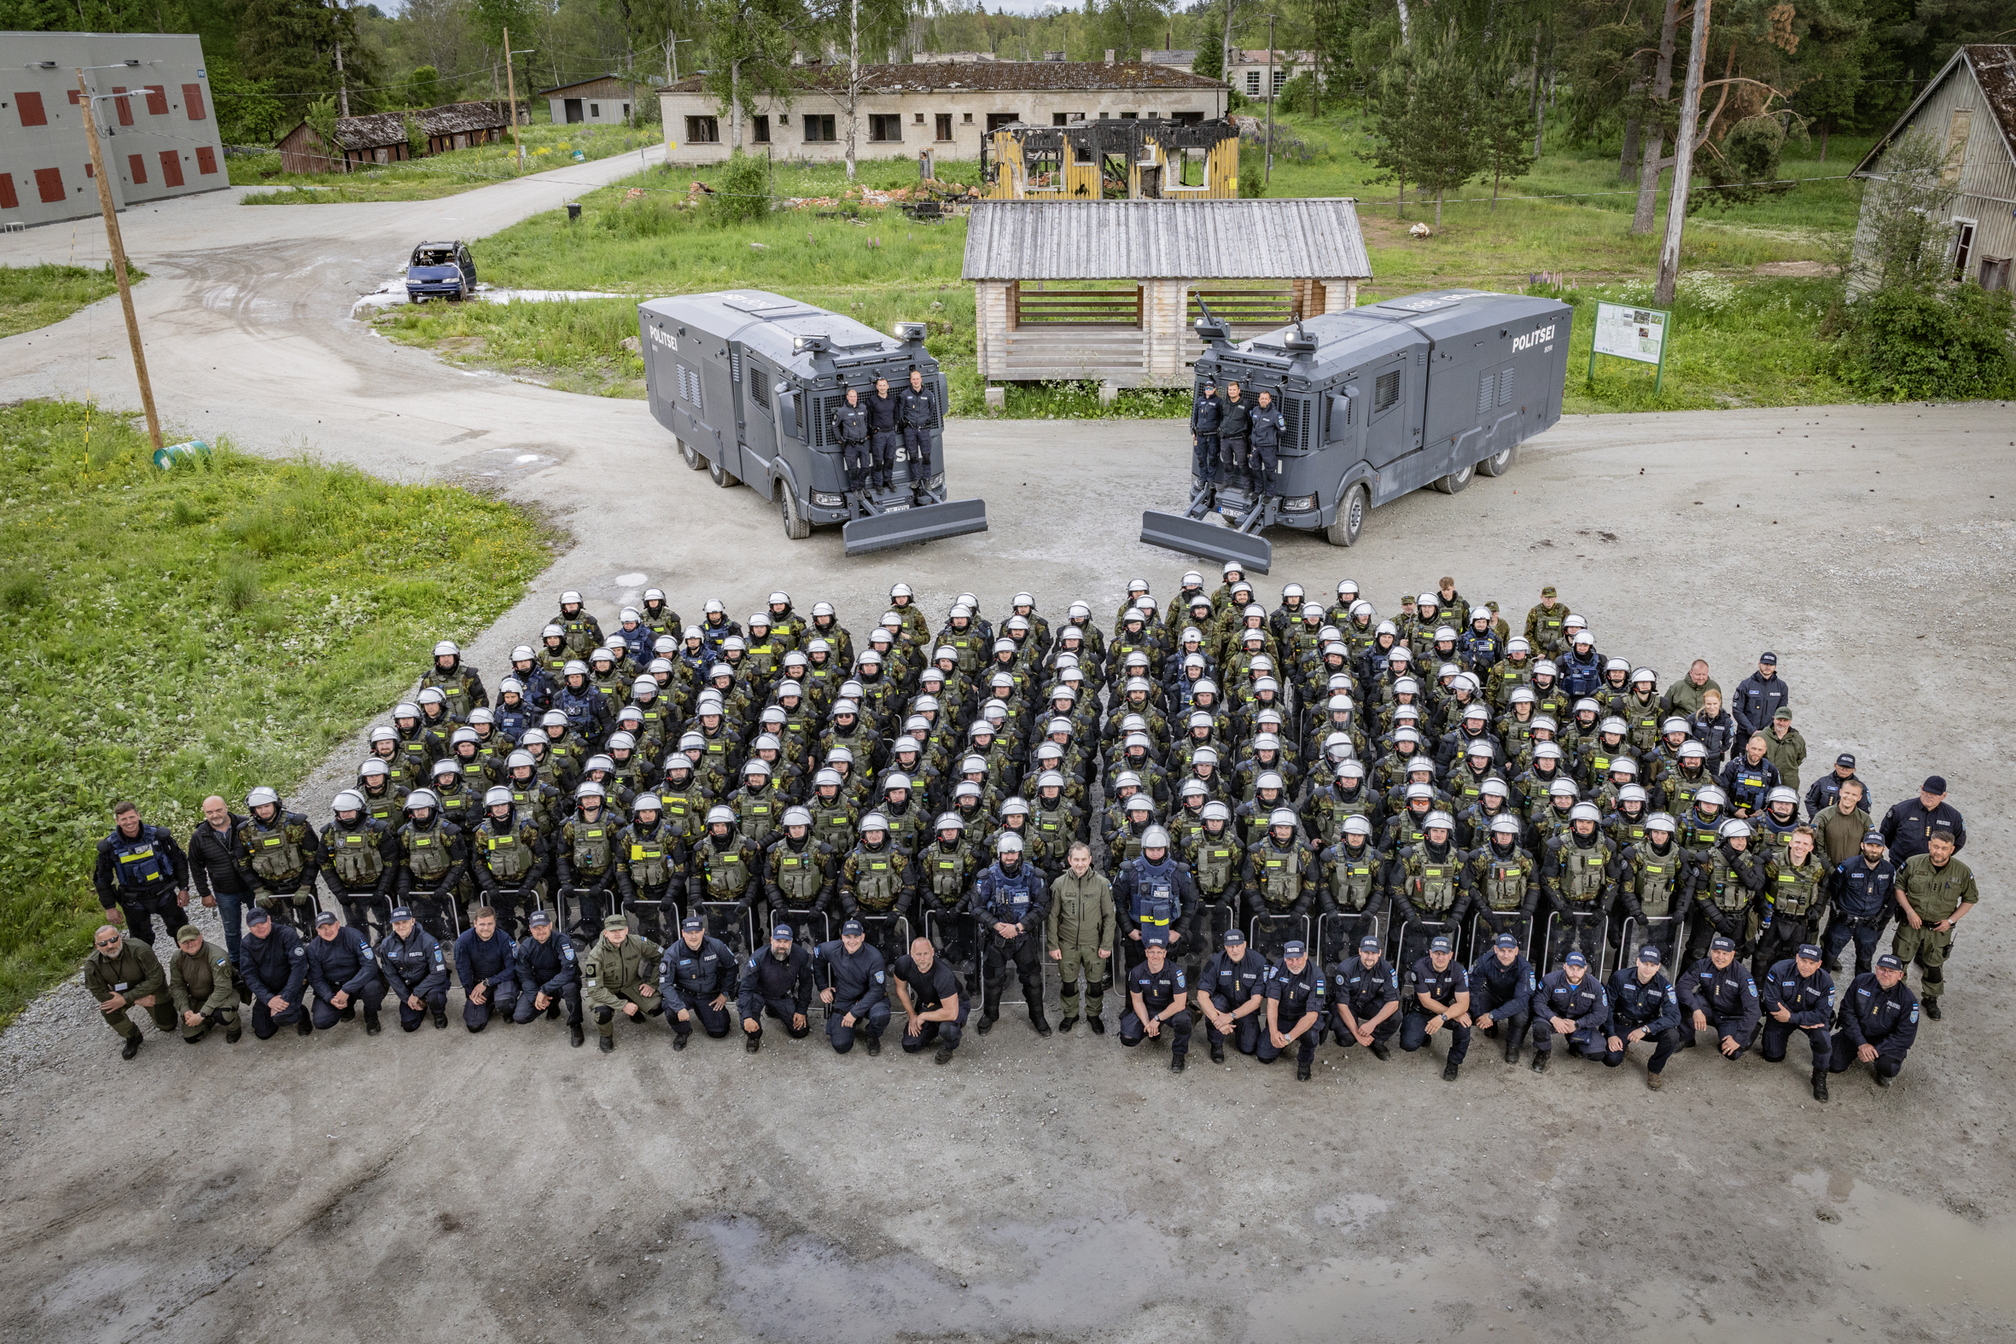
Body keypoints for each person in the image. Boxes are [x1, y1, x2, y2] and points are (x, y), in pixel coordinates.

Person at [969, 833, 1052, 1037]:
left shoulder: (1034, 876)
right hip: (996, 938)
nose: (1009, 857)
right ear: (999, 854)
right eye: (1006, 853)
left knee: (1032, 980)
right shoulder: (987, 877)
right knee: (992, 981)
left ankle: (1037, 1017)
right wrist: (997, 925)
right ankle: (989, 1015)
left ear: (1020, 853)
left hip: (1023, 937)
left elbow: (1043, 907)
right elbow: (975, 907)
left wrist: (1018, 927)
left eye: (1013, 852)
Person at [1891, 829, 1976, 1020]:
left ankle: (1930, 999)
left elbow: (1970, 899)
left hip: (1939, 929)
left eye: (1944, 848)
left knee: (1934, 966)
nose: (1938, 852)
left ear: (1952, 849)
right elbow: (1899, 887)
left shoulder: (1962, 872)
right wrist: (1910, 911)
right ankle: (1896, 996)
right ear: (1929, 844)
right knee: (1900, 961)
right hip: (1911, 924)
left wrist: (1951, 921)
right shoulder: (1913, 863)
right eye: (1935, 846)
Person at [92, 801, 189, 947]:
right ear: (117, 821)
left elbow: (179, 861)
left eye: (131, 817)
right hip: (134, 900)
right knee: (140, 943)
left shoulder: (157, 836)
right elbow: (102, 879)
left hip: (164, 893)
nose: (129, 822)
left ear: (138, 816)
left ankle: (191, 965)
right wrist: (109, 907)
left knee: (183, 933)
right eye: (123, 819)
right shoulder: (110, 846)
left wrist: (183, 888)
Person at [1045, 841, 1114, 1033]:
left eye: (1084, 859)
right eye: (1076, 859)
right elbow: (1052, 917)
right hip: (1067, 944)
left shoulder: (1101, 884)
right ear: (1069, 860)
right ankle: (1070, 1015)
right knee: (1068, 984)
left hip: (1094, 944)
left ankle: (1094, 1015)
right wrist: (1053, 945)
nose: (1080, 864)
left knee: (1095, 985)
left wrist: (1107, 944)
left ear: (1090, 860)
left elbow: (1109, 916)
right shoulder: (1059, 884)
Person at [236, 786, 321, 933]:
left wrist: (306, 885)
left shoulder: (296, 824)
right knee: (280, 933)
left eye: (267, 806)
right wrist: (258, 889)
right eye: (259, 808)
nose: (264, 811)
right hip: (269, 890)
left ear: (276, 804)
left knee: (314, 929)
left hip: (300, 885)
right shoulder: (245, 832)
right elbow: (243, 865)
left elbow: (313, 857)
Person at [1829, 953, 1919, 1087]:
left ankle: (1882, 1069)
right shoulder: (1861, 981)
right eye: (1882, 969)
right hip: (1857, 1034)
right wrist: (1861, 1043)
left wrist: (1876, 1050)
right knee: (1831, 1062)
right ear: (1876, 969)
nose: (1885, 974)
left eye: (1891, 971)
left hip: (1885, 1041)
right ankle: (1858, 1051)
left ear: (1900, 975)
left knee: (1888, 1066)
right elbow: (1847, 1012)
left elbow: (1905, 1036)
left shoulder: (1908, 1001)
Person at [84, 924, 173, 1059]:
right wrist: (133, 999)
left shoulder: (140, 949)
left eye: (113, 940)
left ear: (120, 938)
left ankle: (172, 1002)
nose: (109, 946)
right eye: (103, 943)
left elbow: (156, 978)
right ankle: (132, 1036)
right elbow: (98, 992)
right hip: (122, 994)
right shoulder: (92, 964)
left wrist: (127, 998)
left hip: (150, 989)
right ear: (97, 946)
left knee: (168, 1026)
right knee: (108, 1009)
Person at [1759, 943, 1834, 1101]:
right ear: (1797, 958)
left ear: (1819, 964)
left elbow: (1822, 1014)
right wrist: (1789, 1017)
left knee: (1823, 1039)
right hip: (1781, 1017)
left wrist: (1793, 1018)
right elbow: (1771, 1000)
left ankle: (1819, 1077)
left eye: (1812, 963)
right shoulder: (1779, 969)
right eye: (1803, 961)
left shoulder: (1826, 981)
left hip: (1806, 1019)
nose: (1806, 966)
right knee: (1772, 1056)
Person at [583, 914, 663, 1053]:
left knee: (657, 1006)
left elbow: (661, 955)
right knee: (602, 1012)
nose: (617, 933)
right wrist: (623, 1005)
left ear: (626, 930)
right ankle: (606, 1035)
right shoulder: (596, 954)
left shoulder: (637, 941)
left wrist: (652, 983)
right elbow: (594, 989)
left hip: (630, 984)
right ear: (605, 932)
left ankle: (635, 1008)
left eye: (620, 929)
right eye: (613, 930)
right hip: (605, 989)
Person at [1603, 945, 1681, 1088]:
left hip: (1647, 1026)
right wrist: (1611, 1034)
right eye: (1645, 963)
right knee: (1611, 1060)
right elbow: (1607, 1006)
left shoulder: (1664, 986)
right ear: (1637, 962)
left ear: (1658, 967)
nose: (1648, 968)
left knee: (1672, 1034)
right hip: (1622, 1024)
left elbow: (1674, 1016)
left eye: (1652, 965)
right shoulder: (1620, 977)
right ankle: (1623, 1044)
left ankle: (1654, 1070)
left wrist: (1645, 1029)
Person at [188, 796, 253, 963]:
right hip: (224, 891)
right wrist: (204, 893)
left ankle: (264, 957)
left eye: (218, 810)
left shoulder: (246, 824)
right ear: (204, 813)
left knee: (261, 923)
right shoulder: (199, 836)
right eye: (209, 812)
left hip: (253, 885)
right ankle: (237, 963)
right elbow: (196, 867)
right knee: (232, 931)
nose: (215, 815)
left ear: (226, 807)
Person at [1399, 934, 1470, 1081]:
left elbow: (1463, 1003)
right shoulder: (1419, 968)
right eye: (1437, 953)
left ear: (1451, 955)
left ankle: (1453, 1063)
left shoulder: (1459, 970)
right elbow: (1426, 1001)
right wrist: (1448, 1014)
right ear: (1430, 953)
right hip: (1422, 1010)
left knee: (1464, 1024)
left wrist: (1444, 1017)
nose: (1440, 957)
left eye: (1444, 954)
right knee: (1408, 1044)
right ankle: (1424, 1034)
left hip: (1448, 1010)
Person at [1675, 935, 1760, 1059]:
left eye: (1725, 953)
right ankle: (1686, 1037)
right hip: (1708, 1009)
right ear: (1711, 952)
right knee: (1681, 999)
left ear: (1733, 954)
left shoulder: (1743, 976)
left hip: (1729, 1017)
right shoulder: (1702, 965)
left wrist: (1738, 1039)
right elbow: (1682, 987)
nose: (1720, 957)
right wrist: (1696, 1010)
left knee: (1732, 1053)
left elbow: (1753, 1010)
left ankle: (1750, 1032)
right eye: (1717, 952)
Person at [1824, 830, 1894, 977]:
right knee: (1828, 957)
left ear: (1883, 848)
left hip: (1869, 924)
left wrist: (1882, 920)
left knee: (1865, 962)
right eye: (1869, 845)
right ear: (1862, 845)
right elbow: (1834, 888)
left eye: (1877, 846)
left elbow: (1889, 896)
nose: (1873, 850)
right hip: (1843, 921)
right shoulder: (1847, 866)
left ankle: (1861, 992)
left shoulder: (1888, 870)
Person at [815, 919, 890, 1056]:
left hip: (869, 998)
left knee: (881, 1015)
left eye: (856, 937)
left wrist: (854, 1013)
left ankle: (872, 1035)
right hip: (845, 998)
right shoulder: (829, 949)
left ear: (862, 937)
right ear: (842, 937)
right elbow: (817, 961)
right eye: (848, 937)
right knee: (841, 1046)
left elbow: (877, 990)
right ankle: (852, 1022)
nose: (852, 941)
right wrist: (823, 987)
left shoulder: (874, 957)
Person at [304, 910, 384, 1035]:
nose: (327, 930)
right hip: (334, 987)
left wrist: (346, 989)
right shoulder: (313, 948)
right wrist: (329, 998)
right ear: (317, 930)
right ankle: (346, 1007)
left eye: (330, 925)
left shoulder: (354, 936)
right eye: (322, 928)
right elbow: (316, 979)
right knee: (321, 1021)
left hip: (358, 982)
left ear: (338, 924)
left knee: (373, 987)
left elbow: (370, 966)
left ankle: (371, 1014)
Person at [738, 923, 816, 1052]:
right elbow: (745, 989)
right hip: (758, 994)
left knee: (800, 1031)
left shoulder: (801, 955)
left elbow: (806, 984)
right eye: (778, 941)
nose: (781, 945)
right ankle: (753, 1037)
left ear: (791, 942)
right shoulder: (758, 958)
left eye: (786, 942)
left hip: (782, 995)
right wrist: (747, 1017)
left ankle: (773, 1009)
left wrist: (801, 1010)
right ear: (771, 940)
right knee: (748, 1021)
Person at [237, 907, 312, 1040]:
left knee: (283, 1017)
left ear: (269, 920)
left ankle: (301, 1014)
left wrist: (285, 997)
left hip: (291, 984)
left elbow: (298, 968)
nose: (260, 928)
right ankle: (276, 1010)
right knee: (263, 1032)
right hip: (268, 989)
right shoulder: (246, 944)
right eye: (255, 925)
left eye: (262, 923)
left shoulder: (286, 934)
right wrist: (269, 999)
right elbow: (249, 975)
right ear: (248, 927)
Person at [1119, 936, 1192, 1073]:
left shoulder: (1176, 972)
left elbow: (1180, 1004)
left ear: (1165, 953)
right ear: (1146, 952)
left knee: (1183, 1020)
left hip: (1171, 1009)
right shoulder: (1137, 972)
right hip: (1149, 1008)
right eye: (1151, 952)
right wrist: (1148, 1024)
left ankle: (1179, 1054)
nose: (1155, 956)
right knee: (1128, 1037)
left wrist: (1157, 1019)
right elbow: (1137, 1001)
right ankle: (1152, 1032)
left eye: (1159, 952)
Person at [1195, 927, 1268, 1062]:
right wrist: (1218, 1021)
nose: (1234, 950)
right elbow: (1201, 995)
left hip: (1245, 1007)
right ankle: (1216, 1045)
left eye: (1238, 946)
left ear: (1245, 944)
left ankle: (1237, 1025)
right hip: (1223, 1003)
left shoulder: (1259, 962)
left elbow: (1256, 1001)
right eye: (1230, 946)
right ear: (1225, 947)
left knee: (1248, 1048)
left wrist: (1231, 1016)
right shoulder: (1215, 961)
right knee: (1213, 1005)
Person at [1526, 950, 1607, 1071]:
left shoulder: (1595, 986)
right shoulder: (1550, 980)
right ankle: (1543, 1051)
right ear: (1564, 966)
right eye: (1571, 968)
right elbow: (1538, 1002)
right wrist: (1553, 1018)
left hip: (1580, 1021)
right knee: (1540, 1026)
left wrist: (1578, 1024)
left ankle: (1574, 1043)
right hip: (1555, 1017)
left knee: (1598, 1052)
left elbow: (1601, 1014)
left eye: (1579, 969)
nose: (1575, 973)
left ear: (1585, 968)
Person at [512, 909, 584, 1046]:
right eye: (536, 928)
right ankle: (551, 1004)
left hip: (563, 982)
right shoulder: (526, 947)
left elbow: (568, 972)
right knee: (520, 1016)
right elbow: (524, 976)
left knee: (571, 988)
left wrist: (544, 990)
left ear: (550, 925)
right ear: (530, 929)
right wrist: (535, 996)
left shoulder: (563, 941)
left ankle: (575, 1024)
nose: (541, 931)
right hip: (541, 983)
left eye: (544, 927)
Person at [1258, 938, 1326, 1079]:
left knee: (1310, 1036)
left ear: (1305, 956)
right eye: (1290, 959)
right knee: (1264, 1056)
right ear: (1284, 958)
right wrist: (1273, 1031)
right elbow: (1272, 1003)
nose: (1294, 964)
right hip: (1283, 1017)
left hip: (1303, 1017)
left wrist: (1289, 1037)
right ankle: (1280, 1039)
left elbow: (1311, 1015)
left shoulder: (1317, 976)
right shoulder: (1278, 968)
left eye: (1298, 959)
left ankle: (1304, 1062)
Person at [893, 936, 965, 1064]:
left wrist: (923, 1016)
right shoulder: (903, 963)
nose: (922, 958)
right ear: (911, 954)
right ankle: (933, 1026)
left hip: (955, 1004)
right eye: (918, 954)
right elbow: (901, 989)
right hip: (927, 1003)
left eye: (926, 954)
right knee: (910, 1045)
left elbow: (951, 1012)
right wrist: (912, 1015)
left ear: (932, 952)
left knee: (948, 1029)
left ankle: (950, 1046)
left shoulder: (943, 975)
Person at [1331, 934, 1401, 1065]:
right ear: (1359, 951)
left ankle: (1377, 1041)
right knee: (1348, 1040)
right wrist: (1357, 1034)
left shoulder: (1387, 969)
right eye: (1366, 952)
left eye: (1373, 953)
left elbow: (1393, 1002)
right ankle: (1352, 1035)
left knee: (1396, 1016)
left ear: (1379, 953)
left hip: (1369, 1002)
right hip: (1349, 1004)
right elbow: (1341, 1005)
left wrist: (1372, 1024)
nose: (1369, 957)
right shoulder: (1345, 968)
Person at [378, 906, 450, 1032]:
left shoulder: (428, 941)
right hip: (408, 987)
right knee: (409, 1025)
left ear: (413, 921)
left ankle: (438, 1013)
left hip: (431, 984)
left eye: (404, 922)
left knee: (435, 997)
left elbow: (438, 972)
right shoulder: (386, 944)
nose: (401, 927)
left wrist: (417, 993)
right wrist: (407, 997)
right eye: (397, 923)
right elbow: (390, 974)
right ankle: (420, 1004)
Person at [167, 925, 243, 1045]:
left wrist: (202, 1013)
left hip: (224, 995)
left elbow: (223, 989)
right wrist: (185, 1009)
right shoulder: (177, 958)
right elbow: (177, 985)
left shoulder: (217, 956)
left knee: (223, 1014)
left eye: (192, 940)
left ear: (201, 938)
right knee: (191, 1037)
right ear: (178, 944)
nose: (189, 944)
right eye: (185, 942)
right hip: (199, 997)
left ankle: (234, 1027)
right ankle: (209, 1020)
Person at [1469, 932, 1535, 1065]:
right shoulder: (1483, 961)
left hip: (1513, 998)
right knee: (1475, 1007)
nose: (1506, 955)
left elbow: (1520, 1001)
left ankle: (1512, 1047)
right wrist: (1479, 1015)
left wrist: (1492, 1015)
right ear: (1495, 950)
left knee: (1520, 1017)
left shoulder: (1525, 968)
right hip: (1492, 993)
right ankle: (1489, 1026)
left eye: (1510, 951)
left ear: (1516, 951)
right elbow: (1471, 990)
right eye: (1502, 950)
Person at [453, 906, 520, 1032]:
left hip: (501, 980)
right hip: (478, 982)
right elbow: (463, 969)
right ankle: (489, 1003)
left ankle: (505, 1008)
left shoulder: (504, 939)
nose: (486, 928)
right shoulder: (463, 941)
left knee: (505, 1003)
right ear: (475, 924)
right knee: (474, 1025)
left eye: (490, 924)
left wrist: (487, 983)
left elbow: (512, 969)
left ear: (495, 923)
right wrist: (470, 992)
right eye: (482, 924)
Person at [1879, 775, 1966, 863]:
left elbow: (1958, 842)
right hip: (1901, 865)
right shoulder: (1900, 810)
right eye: (1926, 791)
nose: (1929, 796)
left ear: (1944, 795)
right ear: (1921, 788)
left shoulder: (1953, 817)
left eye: (1934, 794)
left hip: (1933, 868)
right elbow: (1885, 834)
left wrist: (1939, 857)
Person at [898, 367, 939, 504]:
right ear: (910, 381)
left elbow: (932, 409)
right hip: (910, 430)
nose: (915, 381)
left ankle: (926, 479)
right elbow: (901, 411)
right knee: (914, 455)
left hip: (924, 429)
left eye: (917, 379)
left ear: (921, 379)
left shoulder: (928, 394)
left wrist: (927, 420)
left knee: (926, 456)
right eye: (913, 379)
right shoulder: (904, 395)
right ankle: (916, 479)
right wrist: (905, 423)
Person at [1730, 652, 1789, 737]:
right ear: (1759, 663)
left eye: (1771, 665)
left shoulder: (1781, 687)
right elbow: (1737, 711)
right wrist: (1752, 730)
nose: (1768, 667)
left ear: (1775, 666)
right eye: (1765, 664)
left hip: (1770, 735)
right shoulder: (1746, 685)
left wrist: (1767, 731)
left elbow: (1781, 713)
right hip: (1745, 734)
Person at [1245, 390, 1287, 499]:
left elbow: (1282, 430)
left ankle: (1269, 494)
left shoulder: (1275, 414)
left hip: (1268, 448)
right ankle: (1258, 490)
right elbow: (1252, 425)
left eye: (1265, 399)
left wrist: (1271, 438)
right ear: (1259, 399)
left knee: (1270, 472)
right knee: (1255, 470)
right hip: (1255, 446)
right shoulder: (1255, 410)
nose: (1263, 400)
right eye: (1261, 398)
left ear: (1269, 400)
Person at [832, 385, 872, 494]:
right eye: (851, 396)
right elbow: (835, 426)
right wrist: (840, 439)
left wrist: (867, 433)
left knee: (866, 468)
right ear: (847, 397)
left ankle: (862, 486)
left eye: (855, 396)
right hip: (850, 445)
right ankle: (856, 489)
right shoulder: (842, 411)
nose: (853, 398)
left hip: (863, 443)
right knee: (853, 469)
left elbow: (866, 421)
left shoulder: (863, 408)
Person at [866, 374, 901, 492]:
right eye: (880, 386)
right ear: (876, 387)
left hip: (891, 433)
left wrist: (894, 426)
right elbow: (868, 417)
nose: (882, 388)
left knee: (890, 459)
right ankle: (878, 484)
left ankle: (888, 480)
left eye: (884, 385)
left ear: (888, 386)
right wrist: (872, 431)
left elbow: (896, 414)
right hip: (879, 435)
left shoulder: (893, 399)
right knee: (878, 461)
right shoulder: (872, 400)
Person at [1189, 376, 1222, 498]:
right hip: (1200, 434)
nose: (1208, 390)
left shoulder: (1218, 402)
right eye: (1206, 388)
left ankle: (1211, 479)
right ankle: (1203, 479)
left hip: (1212, 434)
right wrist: (1193, 431)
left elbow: (1221, 418)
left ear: (1214, 389)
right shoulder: (1199, 401)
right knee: (1201, 458)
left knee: (1212, 457)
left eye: (1210, 388)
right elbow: (1195, 417)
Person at [1216, 380, 1250, 495]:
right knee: (1227, 462)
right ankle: (1227, 482)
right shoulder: (1223, 403)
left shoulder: (1246, 404)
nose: (1231, 392)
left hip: (1239, 439)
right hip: (1225, 438)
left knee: (1242, 463)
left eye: (1234, 389)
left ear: (1239, 390)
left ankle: (1247, 486)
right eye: (1230, 390)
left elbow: (1249, 422)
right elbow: (1221, 417)